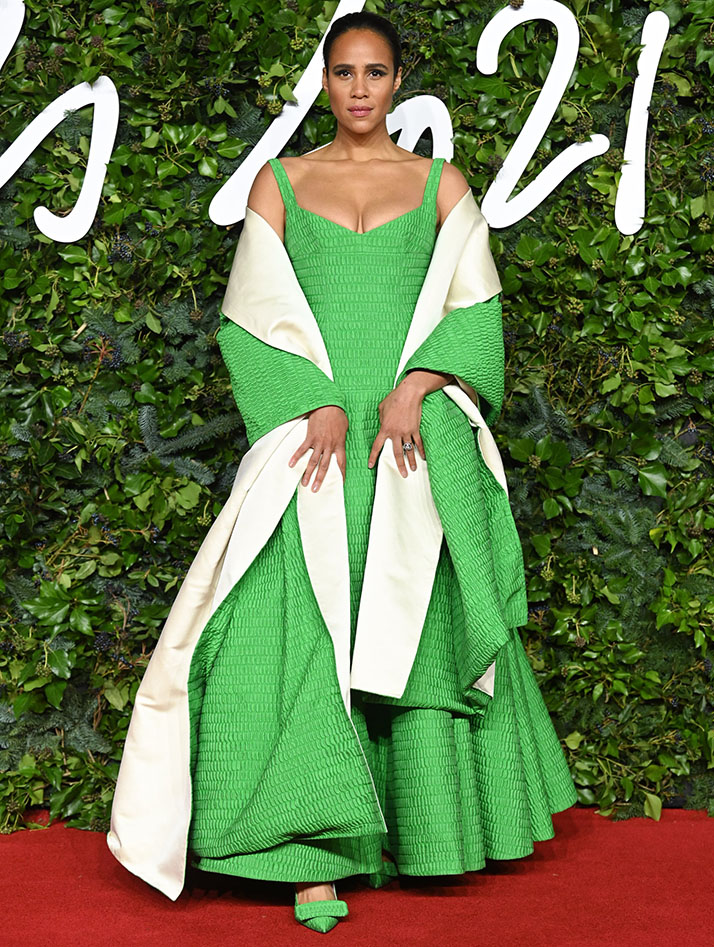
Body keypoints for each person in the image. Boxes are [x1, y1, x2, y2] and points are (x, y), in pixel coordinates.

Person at [107, 10, 578, 936]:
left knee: (411, 620)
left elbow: (476, 310)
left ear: (399, 81)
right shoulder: (281, 183)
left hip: (408, 439)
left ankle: (425, 838)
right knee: (294, 629)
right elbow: (248, 318)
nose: (360, 88)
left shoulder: (442, 184)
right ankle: (311, 855)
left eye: (376, 72)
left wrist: (421, 384)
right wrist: (311, 400)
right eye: (344, 72)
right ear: (324, 82)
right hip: (315, 439)